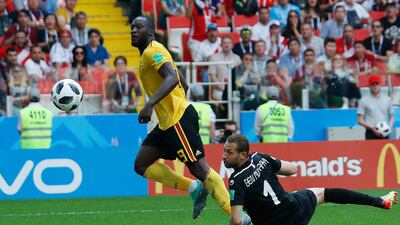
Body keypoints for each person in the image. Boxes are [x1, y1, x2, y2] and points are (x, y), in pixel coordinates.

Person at [130, 16, 251, 224]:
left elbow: (172, 78)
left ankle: (241, 218)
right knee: (141, 164)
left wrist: (151, 104)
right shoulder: (152, 52)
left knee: (200, 169)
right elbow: (182, 82)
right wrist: (173, 103)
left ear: (150, 32)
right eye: (132, 27)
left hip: (177, 120)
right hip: (168, 122)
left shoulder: (152, 51)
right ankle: (193, 188)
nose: (133, 30)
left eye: (139, 27)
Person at [225, 134, 398, 225]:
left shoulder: (235, 180)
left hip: (275, 221)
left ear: (243, 155)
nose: (224, 156)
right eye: (224, 150)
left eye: (229, 152)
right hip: (294, 209)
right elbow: (292, 169)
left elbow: (237, 220)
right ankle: (380, 201)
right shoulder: (259, 157)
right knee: (323, 193)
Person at [357, 75, 394, 140]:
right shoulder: (363, 100)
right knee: (370, 150)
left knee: (385, 150)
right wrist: (371, 128)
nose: (375, 86)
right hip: (370, 132)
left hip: (385, 132)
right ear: (369, 86)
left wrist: (389, 127)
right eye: (372, 84)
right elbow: (359, 120)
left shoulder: (388, 100)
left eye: (377, 84)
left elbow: (391, 117)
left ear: (380, 85)